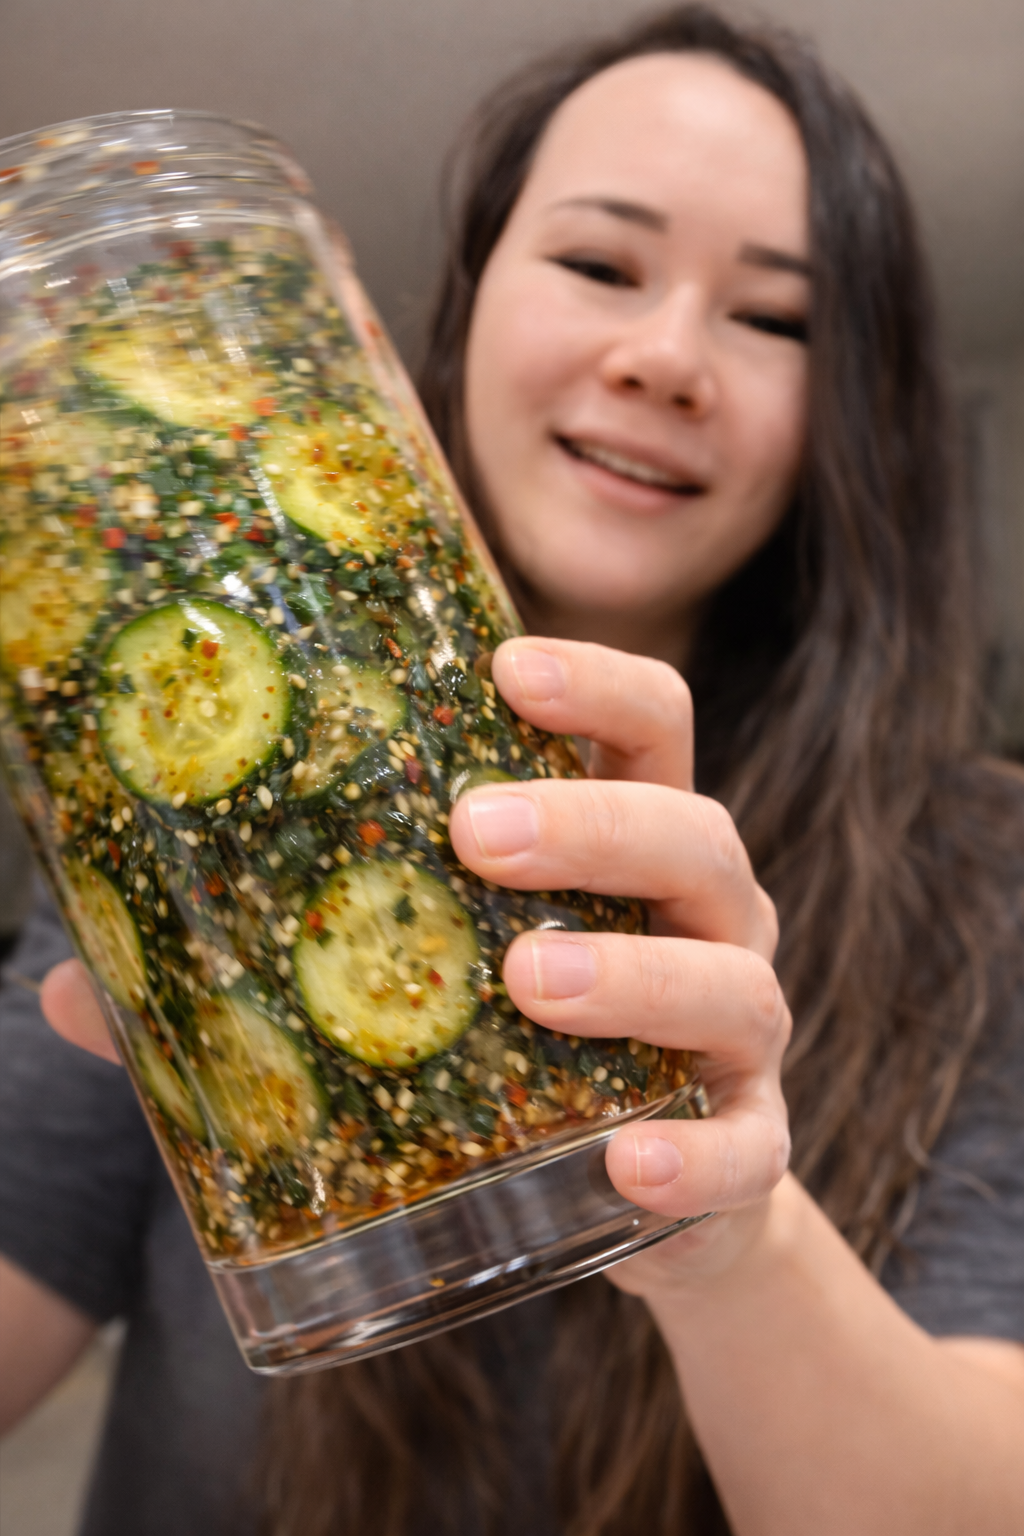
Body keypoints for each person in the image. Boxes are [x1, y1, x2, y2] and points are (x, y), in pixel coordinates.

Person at [2, 7, 1022, 1534]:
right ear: (462, 310)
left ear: (854, 419)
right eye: (602, 264)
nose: (665, 356)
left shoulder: (983, 884)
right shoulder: (191, 816)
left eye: (778, 319)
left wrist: (728, 1230)